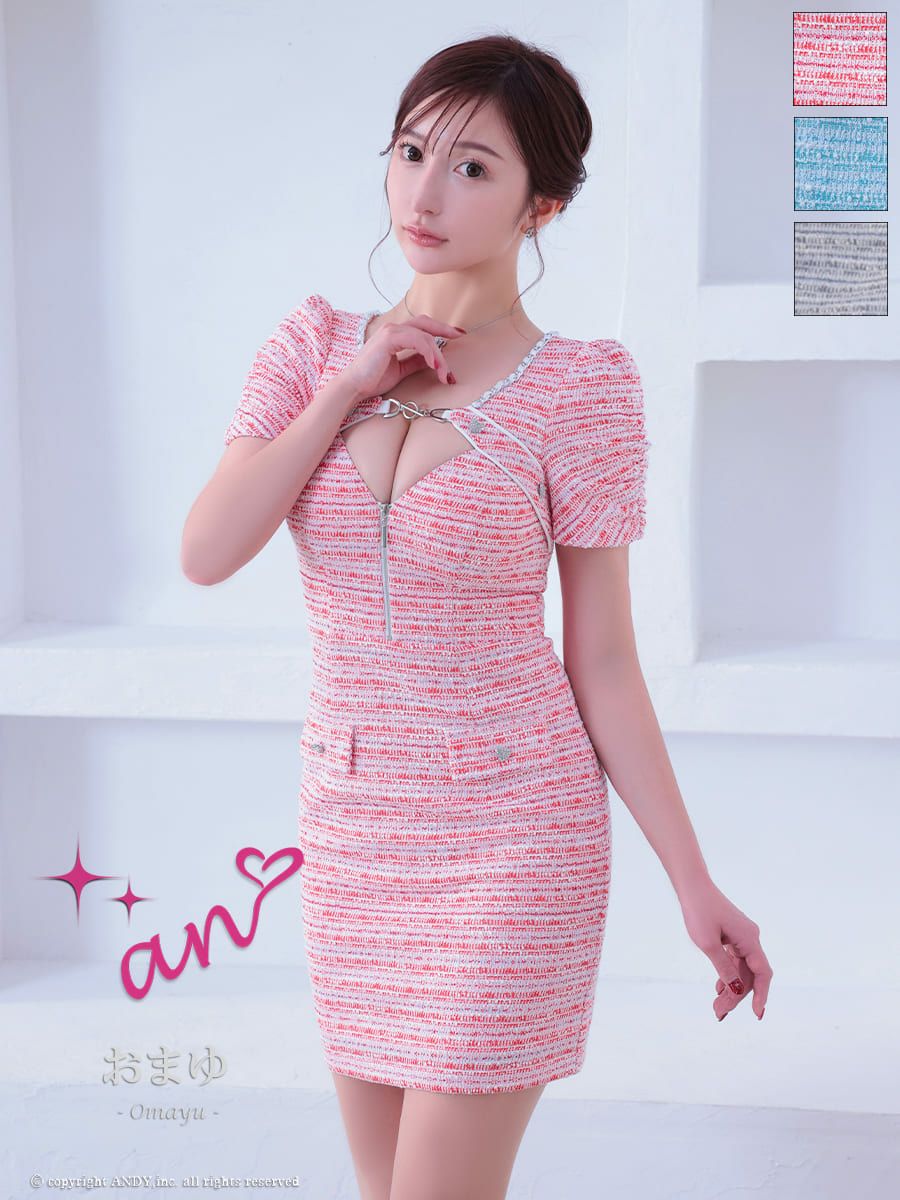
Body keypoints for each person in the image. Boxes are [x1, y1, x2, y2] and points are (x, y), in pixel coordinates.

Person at [182, 33, 773, 1200]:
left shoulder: (586, 389)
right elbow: (207, 552)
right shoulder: (310, 347)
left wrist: (692, 881)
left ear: (542, 204)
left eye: (472, 168)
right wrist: (350, 386)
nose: (424, 193)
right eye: (411, 152)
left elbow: (605, 661)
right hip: (355, 830)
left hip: (517, 833)